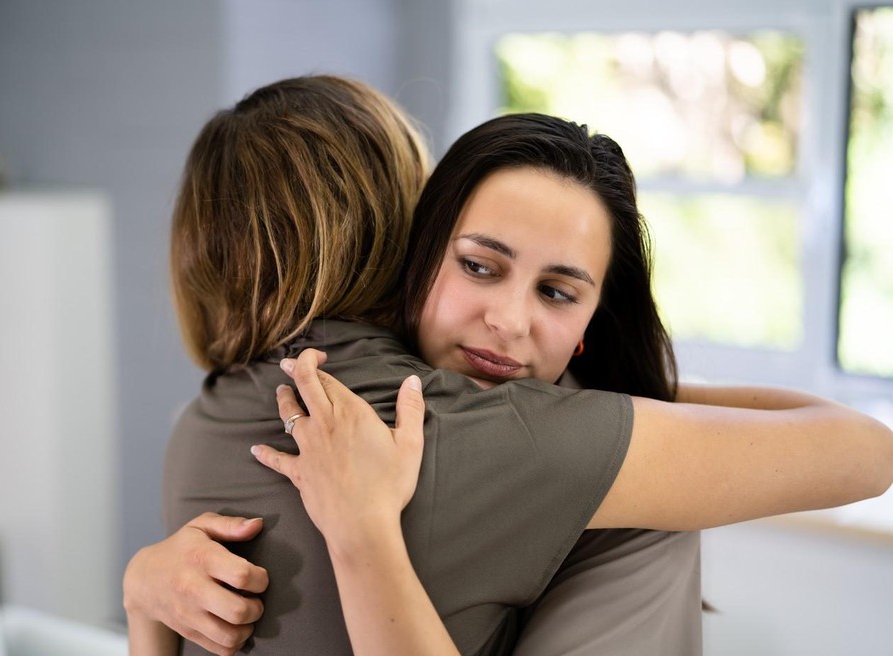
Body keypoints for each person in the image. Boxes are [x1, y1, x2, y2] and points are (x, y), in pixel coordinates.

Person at [124, 79, 893, 655]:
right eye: (479, 265)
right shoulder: (473, 430)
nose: (509, 320)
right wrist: (640, 406)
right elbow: (864, 451)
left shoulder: (197, 427)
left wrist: (139, 601)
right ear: (409, 228)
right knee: (660, 525)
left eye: (558, 292)